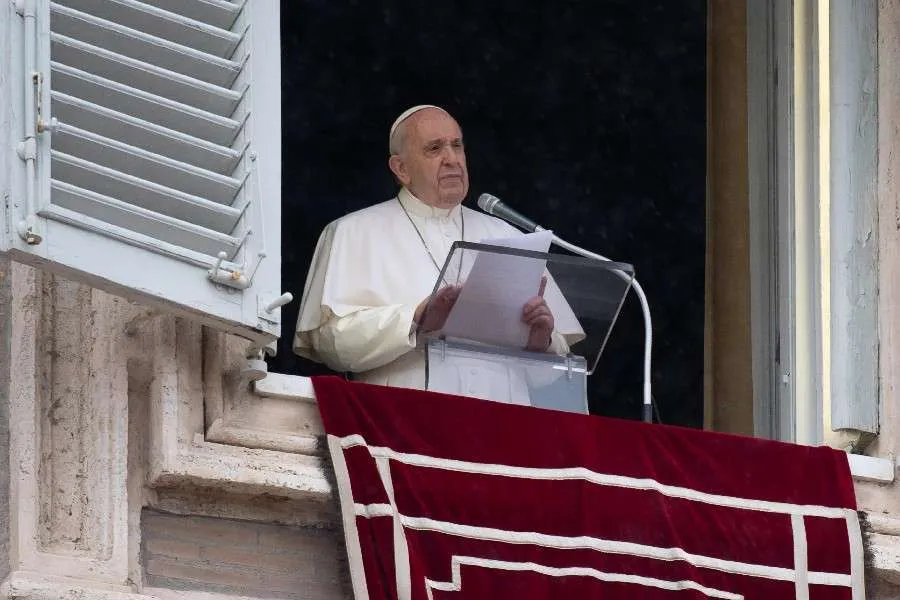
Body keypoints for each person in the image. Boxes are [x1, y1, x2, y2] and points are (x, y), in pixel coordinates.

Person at [294, 105, 581, 401]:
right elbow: (329, 342)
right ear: (401, 168)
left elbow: (556, 375)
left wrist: (541, 342)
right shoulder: (353, 232)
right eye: (434, 149)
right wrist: (416, 318)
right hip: (404, 427)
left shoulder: (508, 236)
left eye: (457, 145)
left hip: (502, 431)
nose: (452, 159)